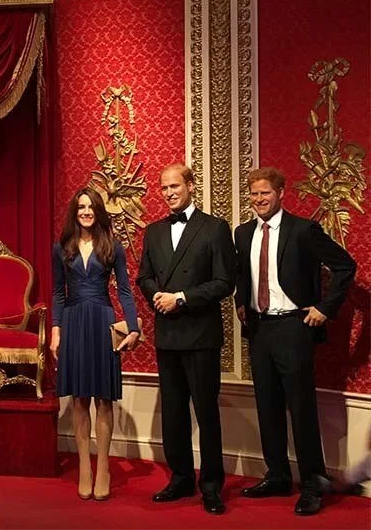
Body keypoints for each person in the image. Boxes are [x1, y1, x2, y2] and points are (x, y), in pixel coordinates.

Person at [234, 167, 356, 515]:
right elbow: (242, 274)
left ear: (281, 193)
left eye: (265, 194)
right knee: (267, 405)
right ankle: (277, 476)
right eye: (254, 194)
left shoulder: (303, 230)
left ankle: (313, 483)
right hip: (259, 331)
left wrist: (324, 308)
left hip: (294, 328)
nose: (259, 200)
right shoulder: (242, 234)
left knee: (300, 408)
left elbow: (346, 266)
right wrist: (242, 302)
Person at [136, 163, 236, 515]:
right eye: (164, 188)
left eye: (175, 186)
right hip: (168, 334)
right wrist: (156, 297)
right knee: (173, 414)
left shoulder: (215, 228)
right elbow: (144, 276)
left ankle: (211, 485)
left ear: (191, 185)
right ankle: (180, 478)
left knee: (207, 414)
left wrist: (181, 298)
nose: (169, 192)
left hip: (201, 335)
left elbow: (226, 282)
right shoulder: (154, 231)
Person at [50, 187, 141, 501]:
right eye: (80, 207)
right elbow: (58, 293)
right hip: (73, 322)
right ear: (74, 212)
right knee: (78, 399)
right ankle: (84, 467)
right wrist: (56, 330)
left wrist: (133, 327)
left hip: (102, 321)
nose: (85, 211)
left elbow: (126, 291)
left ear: (98, 211)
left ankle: (103, 466)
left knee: (103, 399)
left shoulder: (112, 246)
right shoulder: (61, 248)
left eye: (90, 207)